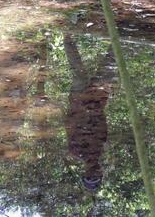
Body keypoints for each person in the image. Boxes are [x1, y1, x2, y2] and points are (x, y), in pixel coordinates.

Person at [63, 35, 113, 196]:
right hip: (97, 100)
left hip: (80, 100)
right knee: (110, 67)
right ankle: (120, 34)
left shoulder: (76, 151)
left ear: (86, 172)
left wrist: (83, 107)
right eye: (97, 176)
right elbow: (102, 122)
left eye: (92, 175)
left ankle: (67, 34)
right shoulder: (102, 149)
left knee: (79, 73)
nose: (96, 172)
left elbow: (70, 123)